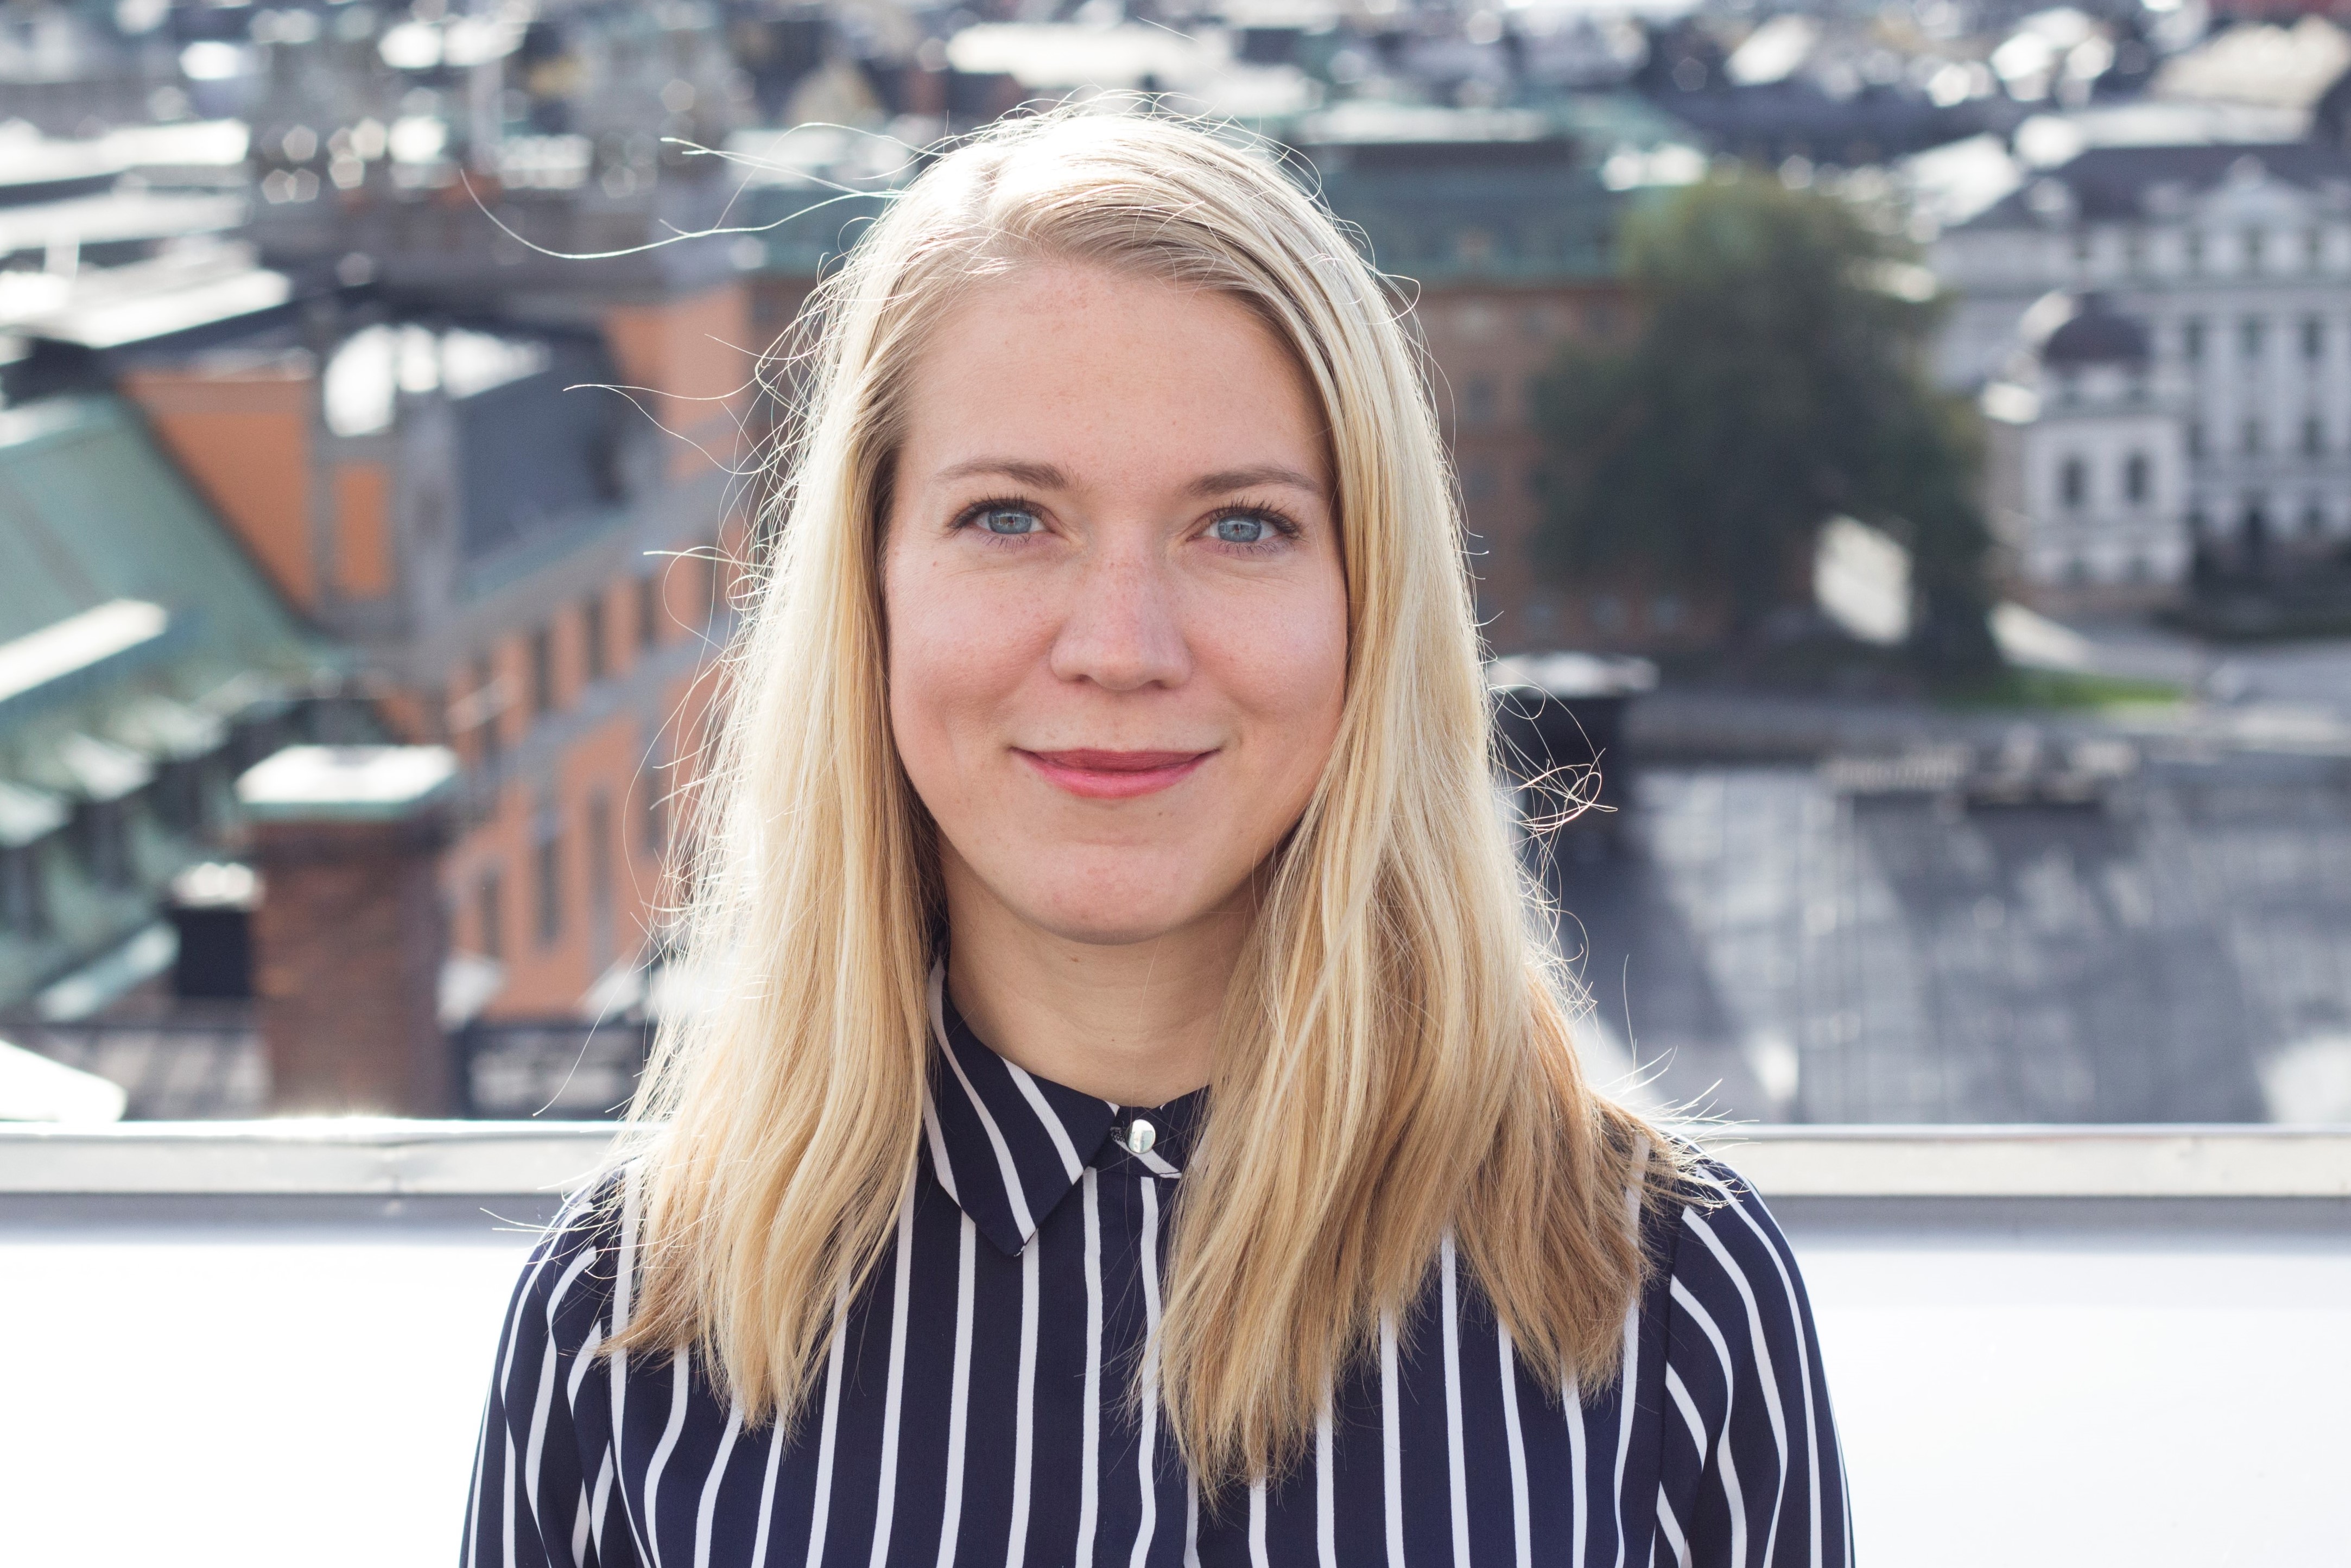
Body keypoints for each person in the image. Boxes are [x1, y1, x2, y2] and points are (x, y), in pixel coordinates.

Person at [464, 107, 1849, 1567]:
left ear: (1370, 605)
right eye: (1010, 517)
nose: (1121, 649)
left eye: (1239, 526)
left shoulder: (1666, 1295)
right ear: (868, 589)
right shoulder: (621, 1326)